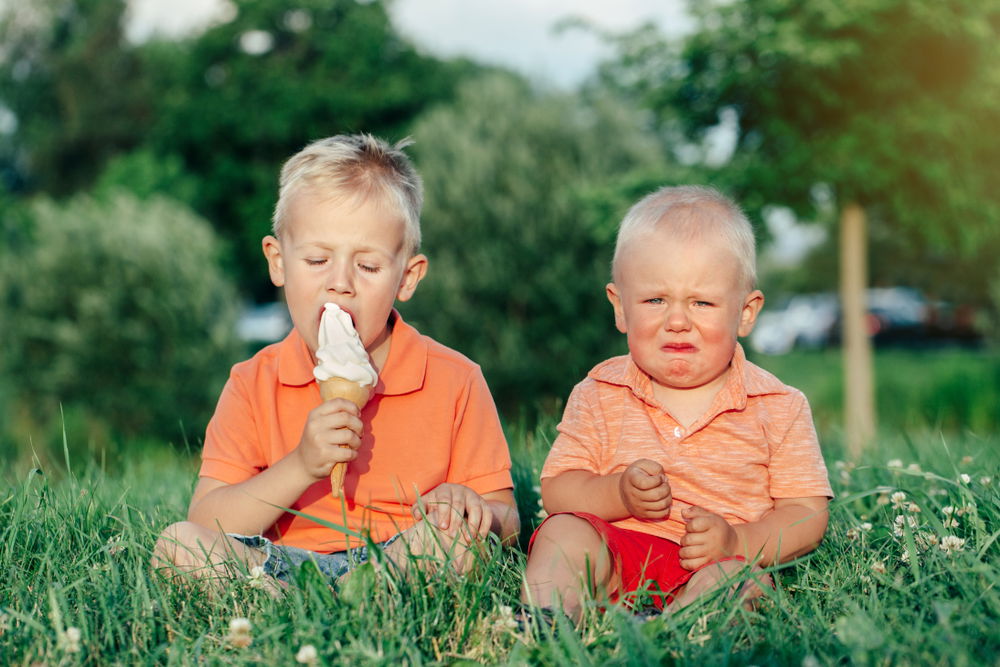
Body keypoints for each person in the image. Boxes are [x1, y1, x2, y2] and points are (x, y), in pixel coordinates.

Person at [154, 134, 519, 588]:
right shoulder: (253, 382)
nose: (340, 283)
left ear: (407, 277)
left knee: (462, 542)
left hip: (401, 555)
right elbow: (208, 517)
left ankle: (363, 594)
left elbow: (506, 519)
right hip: (280, 561)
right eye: (317, 259)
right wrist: (301, 465)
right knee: (178, 544)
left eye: (367, 267)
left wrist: (469, 505)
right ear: (278, 262)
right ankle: (286, 603)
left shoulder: (455, 379)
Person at [521, 185, 832, 620]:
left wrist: (737, 542)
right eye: (655, 300)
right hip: (617, 556)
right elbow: (558, 491)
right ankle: (549, 617)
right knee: (564, 532)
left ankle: (668, 631)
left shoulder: (778, 406)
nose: (678, 322)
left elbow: (806, 515)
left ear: (745, 312)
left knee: (744, 581)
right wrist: (618, 493)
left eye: (702, 302)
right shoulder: (598, 392)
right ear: (620, 308)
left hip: (714, 563)